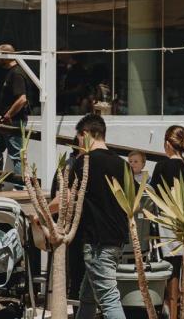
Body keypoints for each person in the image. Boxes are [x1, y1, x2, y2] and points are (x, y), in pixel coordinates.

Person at [51, 114, 130, 319]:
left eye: (78, 138)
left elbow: (65, 199)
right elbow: (134, 202)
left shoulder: (84, 162)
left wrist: (41, 214)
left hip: (97, 241)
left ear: (85, 134)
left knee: (108, 299)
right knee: (87, 296)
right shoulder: (123, 164)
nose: (78, 143)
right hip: (117, 240)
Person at [150, 125, 184, 319]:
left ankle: (172, 313)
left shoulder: (161, 166)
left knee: (171, 269)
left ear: (167, 143)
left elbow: (154, 195)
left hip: (169, 226)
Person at [0, 44, 29, 177]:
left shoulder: (17, 73)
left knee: (16, 155)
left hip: (15, 120)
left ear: (5, 55)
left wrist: (8, 115)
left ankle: (20, 185)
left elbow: (22, 99)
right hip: (6, 120)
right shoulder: (3, 73)